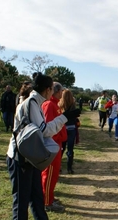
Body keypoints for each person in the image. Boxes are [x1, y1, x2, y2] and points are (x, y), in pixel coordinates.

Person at [6, 72, 80, 220]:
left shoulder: (35, 103)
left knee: (37, 195)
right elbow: (44, 131)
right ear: (47, 90)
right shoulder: (31, 104)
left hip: (30, 157)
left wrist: (64, 118)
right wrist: (65, 118)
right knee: (21, 199)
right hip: (20, 158)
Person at [41, 82, 67, 212]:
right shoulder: (48, 105)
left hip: (57, 144)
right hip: (52, 145)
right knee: (49, 173)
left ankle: (49, 196)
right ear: (55, 91)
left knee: (54, 174)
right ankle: (46, 202)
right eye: (61, 91)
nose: (63, 93)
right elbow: (47, 127)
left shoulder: (55, 104)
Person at [59, 89, 78, 174]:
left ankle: (59, 166)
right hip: (71, 128)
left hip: (63, 128)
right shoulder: (73, 105)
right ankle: (69, 168)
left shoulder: (59, 105)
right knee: (70, 149)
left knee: (61, 149)